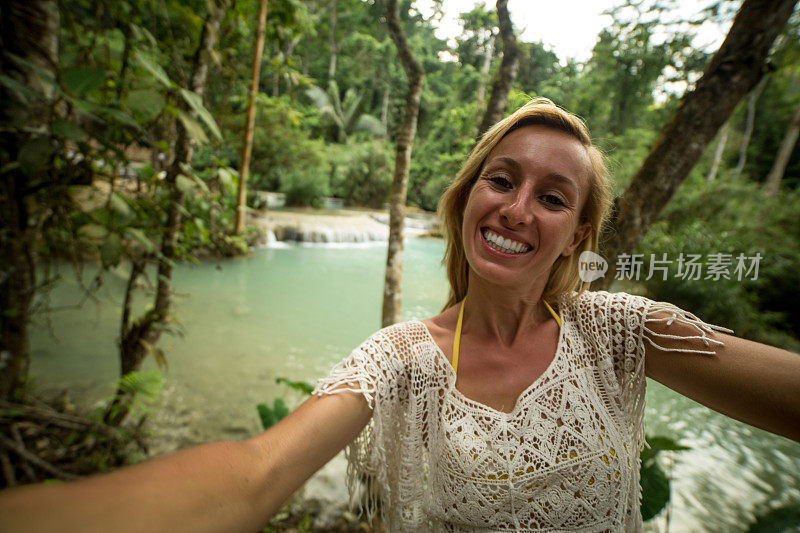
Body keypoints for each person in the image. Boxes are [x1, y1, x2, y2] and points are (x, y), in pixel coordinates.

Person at [1, 98, 798, 532]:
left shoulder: (620, 332)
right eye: (501, 180)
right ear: (465, 199)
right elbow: (255, 473)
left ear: (576, 237)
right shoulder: (400, 356)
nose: (518, 208)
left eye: (552, 198)